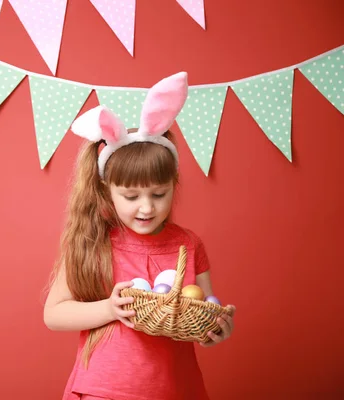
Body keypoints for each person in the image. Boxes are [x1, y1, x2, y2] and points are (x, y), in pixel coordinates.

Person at [43, 72, 236, 400]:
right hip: (103, 391)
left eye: (159, 194)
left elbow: (202, 306)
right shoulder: (93, 242)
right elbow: (54, 314)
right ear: (108, 191)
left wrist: (215, 329)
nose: (146, 208)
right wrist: (111, 309)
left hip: (174, 389)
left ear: (173, 185)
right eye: (131, 197)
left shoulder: (188, 245)